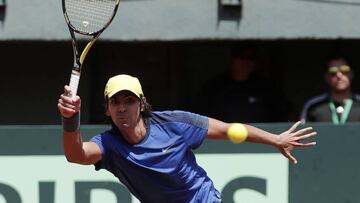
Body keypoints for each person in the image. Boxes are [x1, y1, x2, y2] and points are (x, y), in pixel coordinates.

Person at [58, 74, 317, 203]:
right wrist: (71, 118)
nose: (122, 107)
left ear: (142, 104)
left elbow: (229, 130)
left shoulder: (176, 124)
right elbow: (76, 155)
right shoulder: (109, 144)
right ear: (107, 109)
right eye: (115, 102)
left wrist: (275, 139)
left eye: (129, 100)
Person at [197, 46, 288, 123]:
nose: (245, 62)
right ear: (231, 60)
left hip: (261, 140)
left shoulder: (267, 87)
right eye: (241, 57)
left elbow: (286, 114)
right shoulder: (213, 87)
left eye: (250, 58)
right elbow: (199, 120)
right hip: (221, 140)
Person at [300, 56, 360, 124]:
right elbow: (303, 132)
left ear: (351, 74)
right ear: (326, 77)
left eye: (344, 70)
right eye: (333, 72)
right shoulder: (313, 106)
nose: (339, 75)